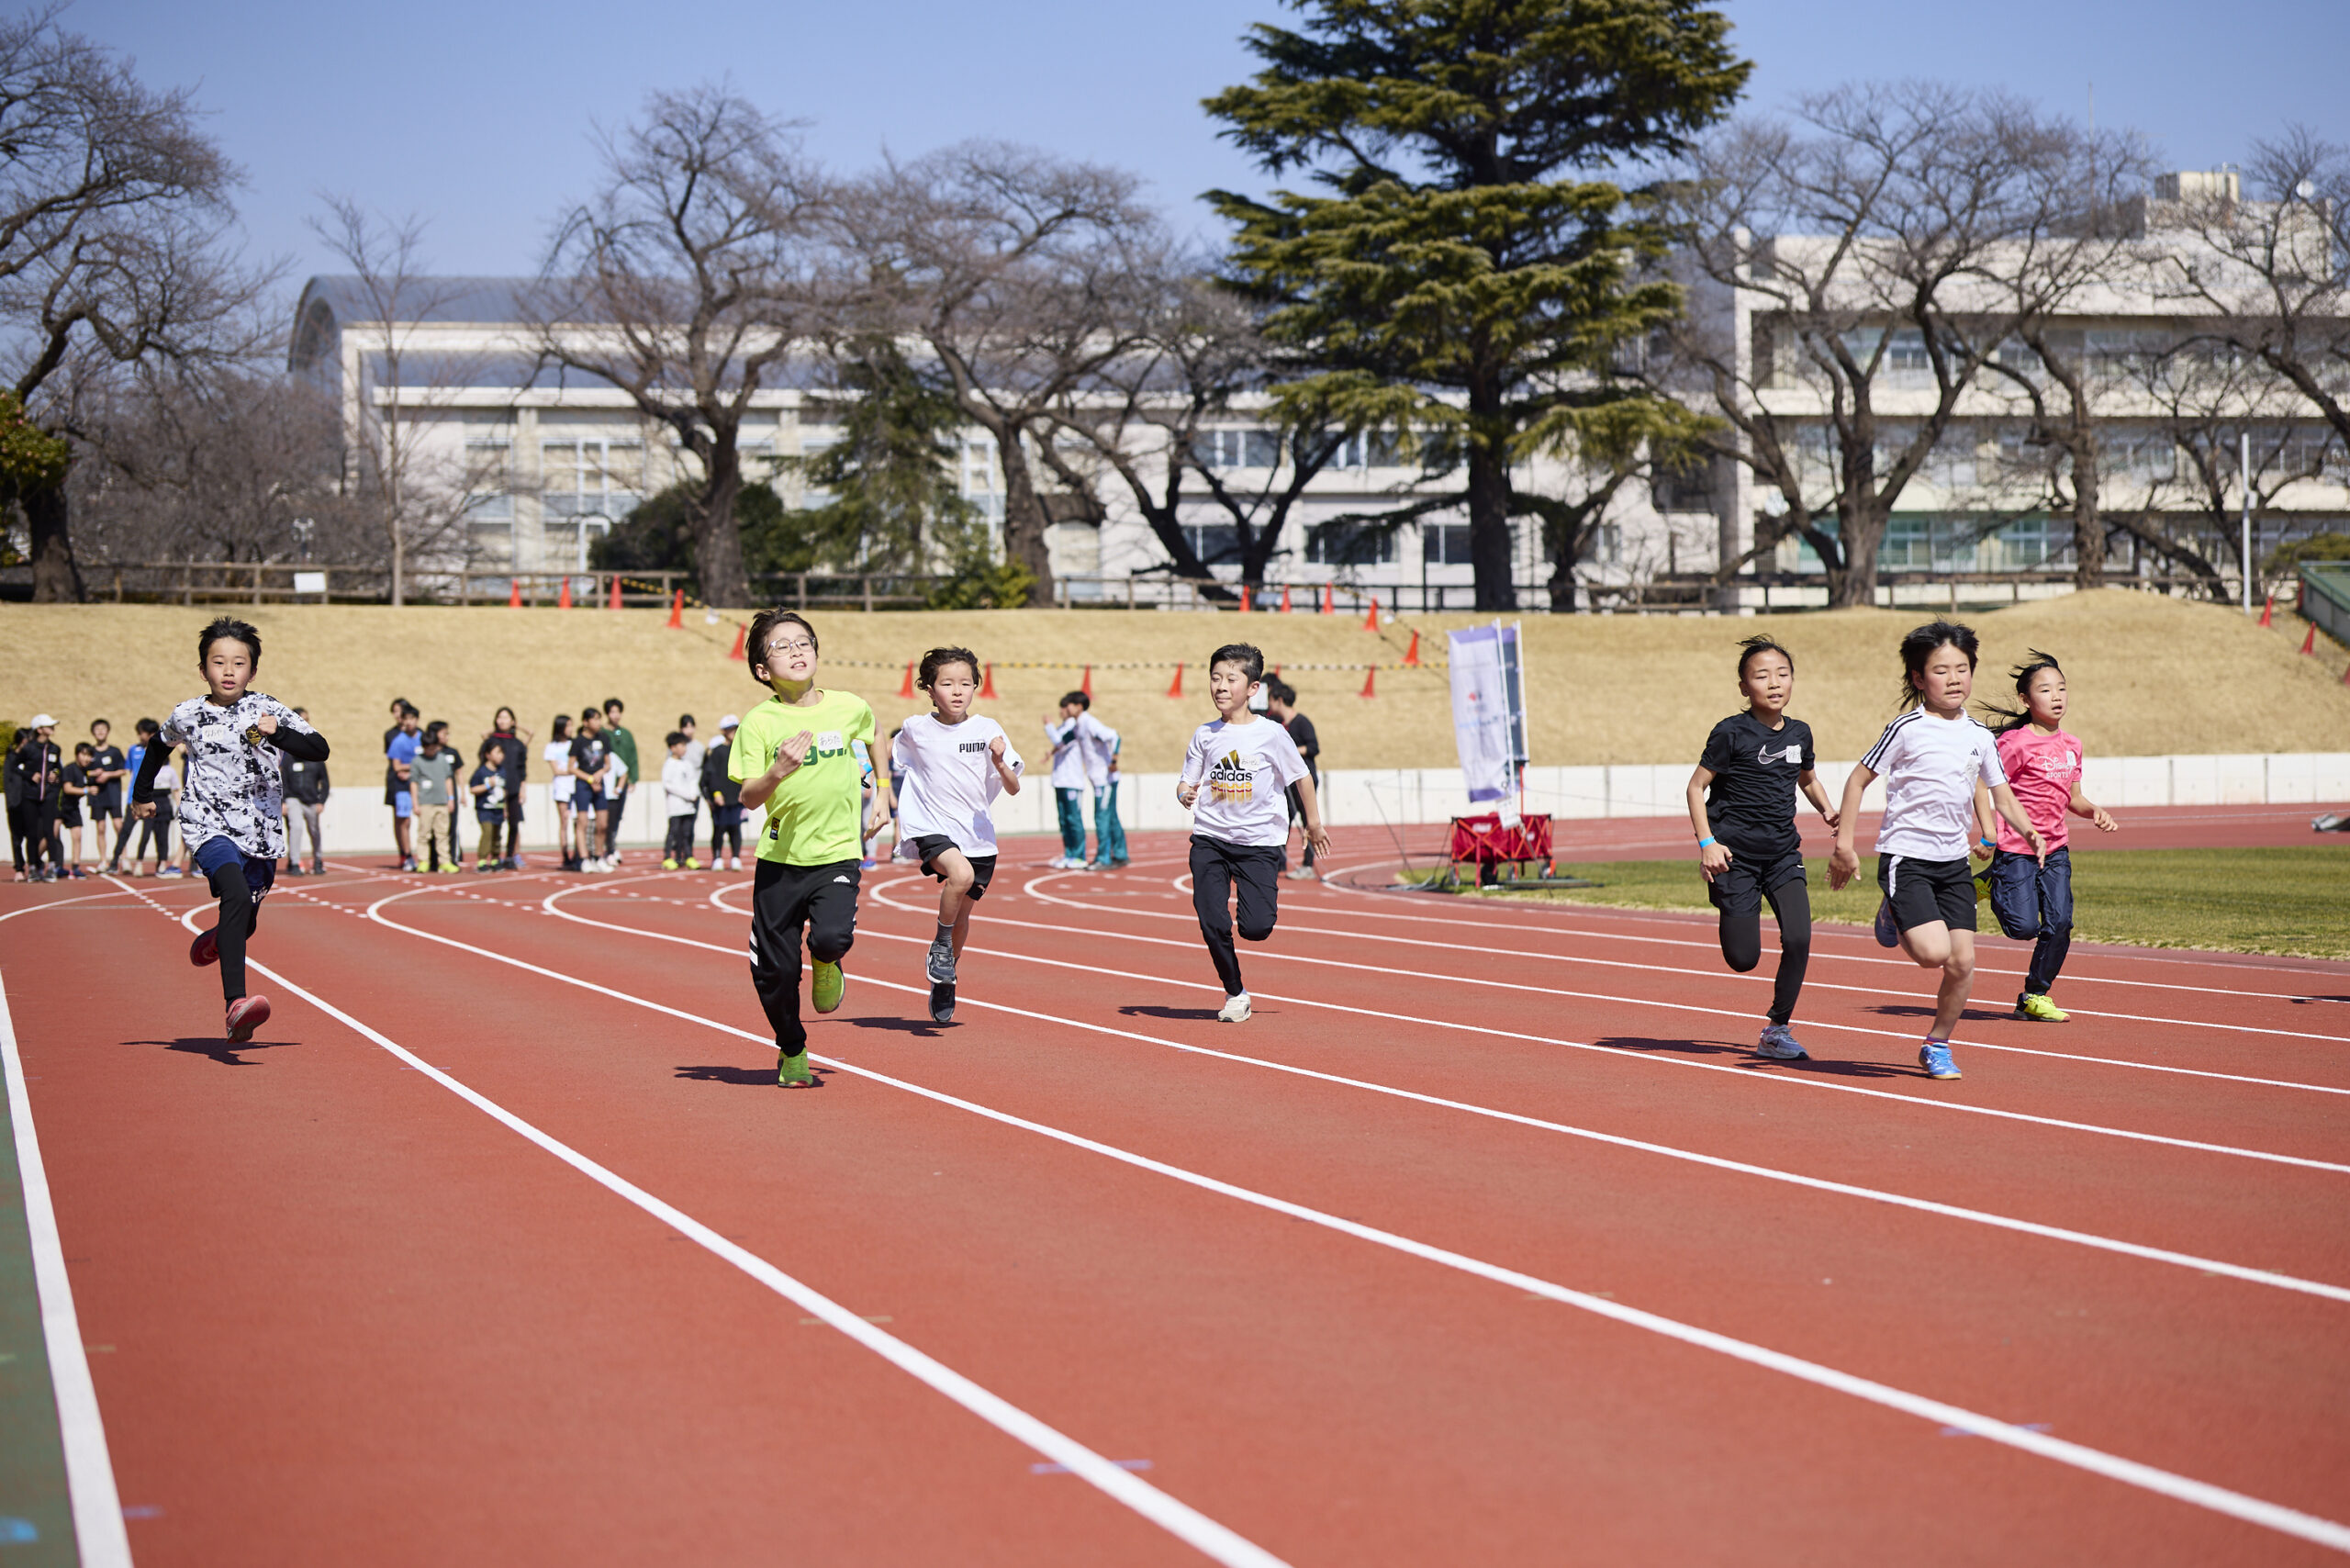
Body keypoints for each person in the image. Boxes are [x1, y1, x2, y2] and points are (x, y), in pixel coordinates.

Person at [1829, 621, 2045, 1082]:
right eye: (1941, 670)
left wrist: (2028, 831)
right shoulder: (1907, 728)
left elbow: (2001, 793)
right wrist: (1844, 846)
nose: (1953, 679)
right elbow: (1858, 780)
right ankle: (1892, 909)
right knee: (1932, 954)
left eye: (1962, 669)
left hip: (1952, 863)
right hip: (1906, 857)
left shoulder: (1981, 737)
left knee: (1963, 962)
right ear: (1918, 678)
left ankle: (1937, 1044)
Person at [129, 617, 330, 1045]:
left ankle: (219, 938)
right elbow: (157, 748)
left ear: (252, 671)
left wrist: (283, 732)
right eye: (218, 662)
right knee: (235, 896)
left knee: (245, 922)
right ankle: (235, 1005)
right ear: (203, 669)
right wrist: (141, 793)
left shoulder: (268, 709)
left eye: (238, 663)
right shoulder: (188, 713)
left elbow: (319, 749)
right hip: (207, 823)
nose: (228, 671)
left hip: (260, 831)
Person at [731, 610, 890, 1087]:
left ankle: (826, 961)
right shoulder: (759, 723)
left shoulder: (847, 706)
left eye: (804, 642)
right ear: (763, 670)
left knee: (831, 938)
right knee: (775, 972)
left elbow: (876, 731)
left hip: (838, 851)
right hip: (780, 863)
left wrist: (883, 790)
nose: (797, 651)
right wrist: (777, 770)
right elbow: (748, 796)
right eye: (782, 647)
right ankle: (792, 1047)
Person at [1684, 636, 1840, 1061]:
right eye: (1762, 675)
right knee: (1743, 958)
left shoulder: (1799, 732)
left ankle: (1778, 1027)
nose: (1774, 683)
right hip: (1733, 856)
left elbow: (1806, 777)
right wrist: (1707, 844)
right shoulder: (1730, 732)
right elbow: (1697, 787)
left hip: (1783, 855)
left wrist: (1828, 810)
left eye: (1783, 674)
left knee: (1800, 937)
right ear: (1743, 687)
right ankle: (1722, 888)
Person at [1177, 644, 1332, 1023]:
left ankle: (1249, 937)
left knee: (1256, 928)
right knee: (1212, 919)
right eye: (1215, 678)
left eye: (1231, 679)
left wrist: (1313, 824)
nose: (1221, 687)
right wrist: (1185, 793)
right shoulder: (1205, 734)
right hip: (1211, 840)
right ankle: (1235, 993)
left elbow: (1301, 777)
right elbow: (1186, 780)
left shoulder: (1272, 734)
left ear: (1252, 688)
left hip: (1259, 843)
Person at [1975, 650, 2120, 1023]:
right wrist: (1989, 833)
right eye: (2045, 690)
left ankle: (2035, 994)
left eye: (2062, 688)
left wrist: (2095, 812)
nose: (2057, 697)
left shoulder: (2072, 745)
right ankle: (1992, 882)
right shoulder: (2016, 743)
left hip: (2055, 849)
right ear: (2025, 699)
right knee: (2022, 928)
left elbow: (2074, 798)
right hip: (2015, 848)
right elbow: (1983, 782)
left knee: (2061, 923)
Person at [892, 647, 1024, 1024]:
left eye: (965, 683)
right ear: (929, 689)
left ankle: (946, 977)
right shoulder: (915, 729)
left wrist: (1000, 763)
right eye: (947, 684)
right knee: (960, 876)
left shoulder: (988, 729)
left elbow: (1013, 787)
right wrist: (880, 791)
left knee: (963, 913)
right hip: (931, 827)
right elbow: (888, 754)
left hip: (977, 835)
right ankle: (940, 945)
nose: (957, 691)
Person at [1263, 678, 1321, 880]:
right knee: (1282, 819)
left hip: (1304, 779)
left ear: (1279, 700)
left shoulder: (1301, 722)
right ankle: (1279, 862)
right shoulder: (1277, 724)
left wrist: (1291, 752)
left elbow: (1314, 748)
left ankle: (1308, 864)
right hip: (1286, 783)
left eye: (1271, 700)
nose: (1268, 705)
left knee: (1308, 822)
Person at [1043, 691, 1109, 869]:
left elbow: (1061, 744)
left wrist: (1048, 727)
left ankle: (1079, 854)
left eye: (1064, 707)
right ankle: (1069, 853)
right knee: (1064, 820)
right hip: (1060, 780)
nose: (1062, 711)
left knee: (1074, 819)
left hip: (1072, 780)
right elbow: (1058, 746)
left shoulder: (1074, 727)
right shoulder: (1064, 727)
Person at [7, 718, 63, 882]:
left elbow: (58, 768)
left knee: (49, 832)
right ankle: (32, 868)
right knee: (32, 834)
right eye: (48, 725)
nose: (52, 728)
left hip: (49, 797)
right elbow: (14, 766)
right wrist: (30, 775)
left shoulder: (55, 748)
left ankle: (52, 867)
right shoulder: (29, 748)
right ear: (39, 729)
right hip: (30, 796)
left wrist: (56, 774)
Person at [280, 706, 330, 876]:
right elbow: (282, 779)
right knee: (296, 827)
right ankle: (294, 862)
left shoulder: (315, 753)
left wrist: (321, 801)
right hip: (294, 798)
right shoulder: (287, 755)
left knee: (315, 831)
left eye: (307, 720)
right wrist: (283, 801)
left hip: (311, 800)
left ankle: (318, 861)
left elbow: (324, 781)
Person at [106, 718, 160, 875]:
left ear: (151, 733)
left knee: (147, 834)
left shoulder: (159, 749)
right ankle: (115, 862)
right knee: (125, 831)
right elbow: (128, 771)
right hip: (133, 798)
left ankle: (139, 863)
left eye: (141, 733)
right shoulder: (133, 750)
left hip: (152, 798)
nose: (139, 736)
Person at [409, 722, 462, 874]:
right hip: (425, 802)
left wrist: (451, 798)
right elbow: (413, 783)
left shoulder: (442, 759)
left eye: (434, 748)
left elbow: (448, 779)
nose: (432, 751)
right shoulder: (417, 761)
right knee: (424, 834)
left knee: (442, 834)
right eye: (429, 748)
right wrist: (415, 803)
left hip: (442, 802)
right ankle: (423, 861)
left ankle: (445, 861)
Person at [482, 707, 531, 870]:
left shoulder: (517, 744)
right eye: (500, 718)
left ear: (513, 721)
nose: (503, 721)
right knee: (496, 824)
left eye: (506, 718)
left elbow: (522, 769)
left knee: (514, 824)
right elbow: (483, 737)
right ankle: (494, 857)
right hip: (496, 789)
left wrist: (522, 789)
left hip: (514, 787)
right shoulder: (492, 742)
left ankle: (510, 855)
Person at [568, 707, 612, 872]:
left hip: (599, 784)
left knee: (602, 823)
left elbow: (608, 763)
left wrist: (600, 773)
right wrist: (589, 778)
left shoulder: (604, 738)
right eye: (594, 719)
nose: (598, 722)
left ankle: (599, 856)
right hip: (583, 785)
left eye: (599, 719)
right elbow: (571, 767)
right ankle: (584, 858)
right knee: (583, 822)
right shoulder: (578, 741)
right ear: (585, 722)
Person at [703, 714, 744, 871]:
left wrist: (745, 790)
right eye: (729, 729)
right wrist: (716, 793)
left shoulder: (741, 750)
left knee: (736, 828)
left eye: (735, 729)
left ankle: (735, 857)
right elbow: (711, 774)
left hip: (737, 796)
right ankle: (718, 857)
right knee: (719, 829)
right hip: (721, 797)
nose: (733, 732)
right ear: (724, 732)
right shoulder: (717, 752)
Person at [385, 704, 421, 871]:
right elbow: (397, 766)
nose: (409, 722)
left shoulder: (423, 737)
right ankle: (407, 855)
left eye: (412, 719)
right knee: (404, 821)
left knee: (427, 820)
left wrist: (413, 770)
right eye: (406, 719)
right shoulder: (398, 740)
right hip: (402, 786)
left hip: (422, 785)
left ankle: (427, 856)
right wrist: (414, 767)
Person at [86, 719, 125, 872]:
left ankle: (124, 857)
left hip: (113, 794)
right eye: (97, 729)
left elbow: (123, 770)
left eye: (103, 728)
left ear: (108, 731)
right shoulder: (89, 752)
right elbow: (83, 771)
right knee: (100, 828)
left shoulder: (114, 751)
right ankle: (103, 860)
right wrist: (92, 773)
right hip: (97, 796)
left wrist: (108, 775)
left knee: (119, 826)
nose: (100, 731)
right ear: (93, 732)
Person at [601, 698, 636, 865]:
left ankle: (612, 846)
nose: (616, 715)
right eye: (612, 712)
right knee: (604, 818)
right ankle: (607, 848)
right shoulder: (602, 734)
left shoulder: (625, 734)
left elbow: (632, 756)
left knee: (617, 817)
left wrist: (633, 778)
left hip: (621, 782)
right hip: (606, 781)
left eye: (618, 712)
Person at [661, 732, 702, 870]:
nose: (684, 749)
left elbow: (693, 781)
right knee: (674, 831)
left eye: (685, 745)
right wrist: (686, 795)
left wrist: (693, 794)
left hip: (688, 805)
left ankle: (687, 856)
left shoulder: (687, 764)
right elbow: (668, 784)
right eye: (681, 745)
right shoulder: (669, 764)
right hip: (676, 806)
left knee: (687, 832)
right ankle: (668, 857)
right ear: (672, 748)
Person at [470, 741, 511, 873]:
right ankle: (482, 860)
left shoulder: (502, 771)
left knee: (497, 835)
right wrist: (488, 785)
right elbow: (473, 788)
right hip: (484, 809)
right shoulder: (481, 772)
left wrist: (505, 809)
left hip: (498, 809)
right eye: (498, 752)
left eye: (502, 753)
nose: (501, 756)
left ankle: (495, 859)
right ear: (488, 755)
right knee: (487, 832)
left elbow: (504, 791)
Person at [543, 714, 576, 872]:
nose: (570, 729)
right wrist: (572, 771)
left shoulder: (575, 744)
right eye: (568, 726)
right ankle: (565, 855)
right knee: (564, 822)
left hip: (576, 786)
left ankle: (580, 854)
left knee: (580, 821)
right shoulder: (552, 747)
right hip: (562, 788)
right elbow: (556, 770)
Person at [60, 742, 95, 877]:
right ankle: (37, 864)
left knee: (77, 836)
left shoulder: (84, 771)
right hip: (59, 806)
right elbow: (67, 789)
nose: (86, 759)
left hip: (73, 807)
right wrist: (86, 790)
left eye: (89, 756)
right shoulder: (70, 769)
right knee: (50, 838)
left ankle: (75, 867)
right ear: (77, 755)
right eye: (83, 755)